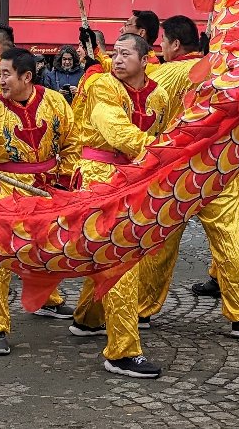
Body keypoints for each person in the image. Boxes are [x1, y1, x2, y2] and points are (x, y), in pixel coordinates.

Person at [139, 15, 239, 332]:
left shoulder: (162, 75)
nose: (161, 46)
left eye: (163, 41)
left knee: (161, 241)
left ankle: (143, 309)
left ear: (174, 43)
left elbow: (150, 119)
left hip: (175, 170)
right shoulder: (222, 74)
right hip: (218, 167)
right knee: (228, 241)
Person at [0, 47, 80, 358]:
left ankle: (46, 299)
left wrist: (64, 177)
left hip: (47, 188)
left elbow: (72, 142)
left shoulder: (55, 102)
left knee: (46, 248)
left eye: (5, 74)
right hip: (7, 189)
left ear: (26, 77)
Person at [64, 33, 167, 378]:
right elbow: (116, 130)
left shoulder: (161, 95)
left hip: (138, 177)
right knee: (121, 255)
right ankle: (122, 350)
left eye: (125, 54)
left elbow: (164, 130)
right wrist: (163, 154)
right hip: (101, 176)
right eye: (115, 54)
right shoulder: (102, 87)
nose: (118, 60)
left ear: (145, 58)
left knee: (109, 255)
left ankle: (87, 318)